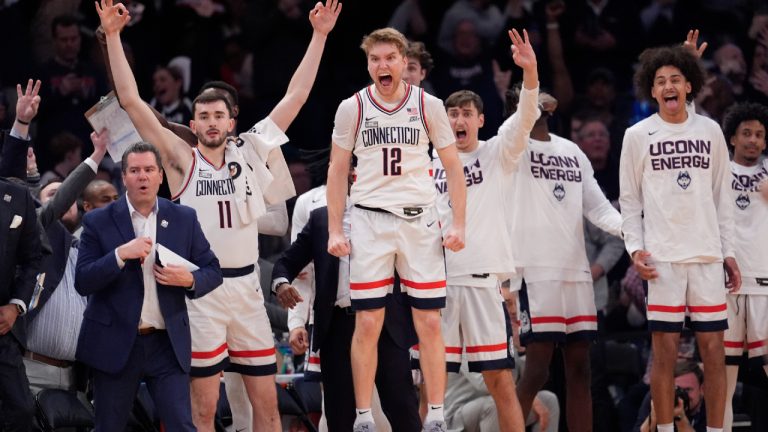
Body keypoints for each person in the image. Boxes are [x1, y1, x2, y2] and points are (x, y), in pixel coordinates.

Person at [96, 1, 341, 430]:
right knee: (204, 408)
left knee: (267, 404)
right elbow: (132, 102)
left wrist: (319, 35)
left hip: (247, 288)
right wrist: (114, 38)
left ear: (232, 121)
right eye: (204, 116)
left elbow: (296, 95)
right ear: (193, 121)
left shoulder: (252, 148)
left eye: (219, 116)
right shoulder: (179, 157)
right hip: (200, 290)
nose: (211, 123)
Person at [326, 27, 466, 432]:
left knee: (429, 321)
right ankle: (365, 417)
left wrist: (458, 222)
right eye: (374, 59)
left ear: (405, 62)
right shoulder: (351, 107)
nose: (382, 65)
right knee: (367, 321)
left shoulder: (429, 105)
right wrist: (337, 228)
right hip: (370, 219)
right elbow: (337, 170)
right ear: (368, 64)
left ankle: (437, 416)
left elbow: (453, 168)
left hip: (419, 218)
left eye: (389, 58)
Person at [619, 45, 740, 432]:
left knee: (714, 354)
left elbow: (723, 196)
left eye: (675, 79)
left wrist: (730, 253)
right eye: (660, 81)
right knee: (664, 354)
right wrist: (635, 249)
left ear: (689, 85)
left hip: (705, 255)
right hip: (663, 259)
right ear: (652, 91)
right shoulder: (637, 135)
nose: (668, 86)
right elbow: (629, 199)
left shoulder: (710, 130)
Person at [431, 28, 538, 432]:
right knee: (430, 381)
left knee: (499, 380)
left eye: (465, 114)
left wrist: (529, 73)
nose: (458, 120)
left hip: (480, 283)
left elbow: (526, 116)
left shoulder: (497, 153)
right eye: (451, 114)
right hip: (436, 285)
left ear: (480, 120)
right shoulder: (428, 164)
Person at [75, 142, 222, 431]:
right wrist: (119, 255)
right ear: (124, 177)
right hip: (116, 342)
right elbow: (83, 281)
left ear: (160, 176)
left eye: (149, 170)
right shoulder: (97, 221)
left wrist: (189, 280)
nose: (142, 176)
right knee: (108, 427)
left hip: (166, 343)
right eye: (135, 170)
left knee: (182, 425)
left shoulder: (183, 218)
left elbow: (213, 271)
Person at [507, 86, 622, 432]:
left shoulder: (572, 151)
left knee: (580, 369)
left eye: (538, 95)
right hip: (536, 273)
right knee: (538, 369)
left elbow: (600, 208)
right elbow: (511, 126)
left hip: (576, 272)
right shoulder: (510, 147)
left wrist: (634, 232)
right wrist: (526, 95)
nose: (533, 100)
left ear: (552, 106)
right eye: (525, 97)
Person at [272, 202, 421, 431]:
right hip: (339, 325)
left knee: (403, 411)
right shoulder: (321, 218)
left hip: (385, 322)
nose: (353, 171)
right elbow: (287, 262)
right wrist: (281, 284)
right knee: (339, 416)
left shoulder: (392, 210)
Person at [719, 102, 768, 432]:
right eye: (747, 133)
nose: (753, 140)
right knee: (724, 372)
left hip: (765, 280)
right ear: (733, 138)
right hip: (727, 282)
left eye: (760, 135)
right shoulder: (718, 172)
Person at [0, 168, 43, 431]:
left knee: (22, 411)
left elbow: (33, 258)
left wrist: (17, 305)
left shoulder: (16, 195)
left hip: (2, 328)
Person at [635, 361, 707, 432]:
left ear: (702, 390)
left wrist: (680, 418)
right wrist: (653, 417)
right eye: (676, 389)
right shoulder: (658, 396)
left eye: (687, 390)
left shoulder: (711, 408)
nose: (682, 395)